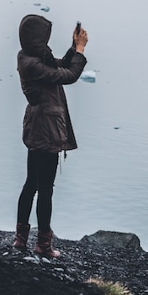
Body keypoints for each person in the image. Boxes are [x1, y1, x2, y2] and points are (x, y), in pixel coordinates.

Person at [13, 14, 88, 258]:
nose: (46, 42)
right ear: (37, 38)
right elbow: (67, 76)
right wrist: (80, 50)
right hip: (47, 129)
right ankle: (43, 244)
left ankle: (21, 239)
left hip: (37, 128)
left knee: (31, 184)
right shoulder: (33, 64)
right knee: (45, 189)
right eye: (44, 37)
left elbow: (58, 66)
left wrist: (71, 48)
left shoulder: (29, 57)